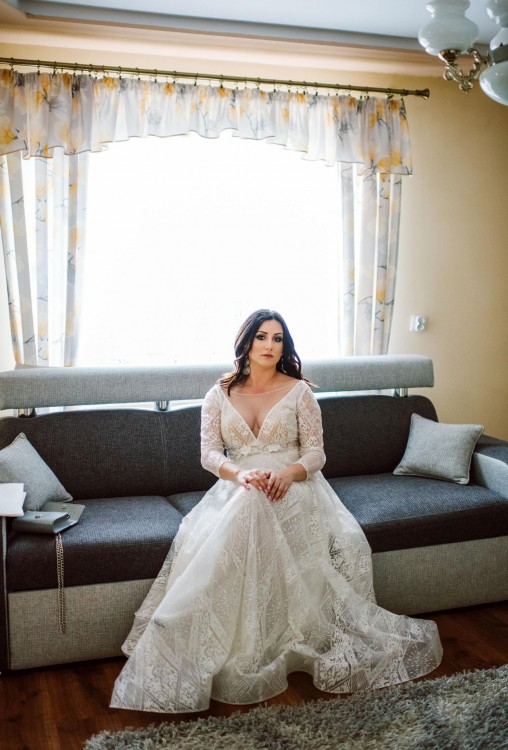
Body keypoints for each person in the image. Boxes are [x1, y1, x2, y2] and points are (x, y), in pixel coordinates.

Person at [111, 309, 442, 713]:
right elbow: (209, 454)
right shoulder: (218, 394)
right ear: (246, 342)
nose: (270, 345)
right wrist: (241, 474)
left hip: (295, 485)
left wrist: (287, 473)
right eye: (262, 336)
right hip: (239, 485)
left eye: (278, 338)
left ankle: (187, 617)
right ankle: (189, 625)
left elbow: (316, 453)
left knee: (256, 502)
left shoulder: (299, 392)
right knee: (250, 499)